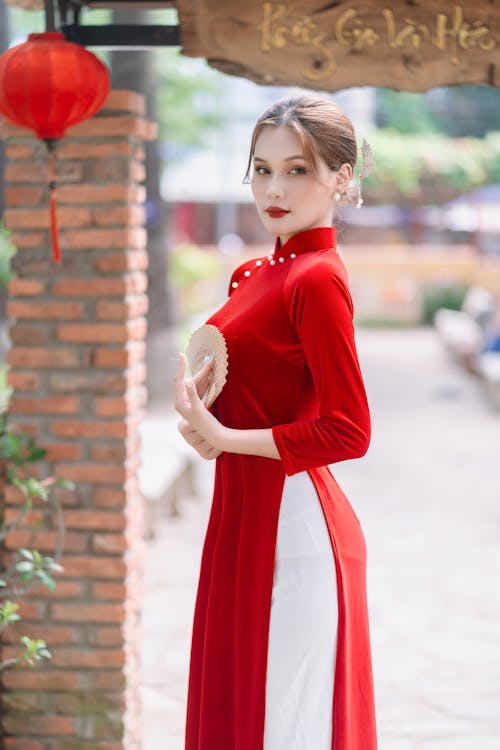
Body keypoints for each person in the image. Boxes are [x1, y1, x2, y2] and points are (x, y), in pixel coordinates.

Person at [174, 94, 377, 750]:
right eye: (261, 170)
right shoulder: (253, 274)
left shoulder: (315, 280)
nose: (274, 188)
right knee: (243, 715)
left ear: (341, 178)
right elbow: (249, 393)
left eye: (297, 170)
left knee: (287, 727)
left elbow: (350, 429)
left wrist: (228, 439)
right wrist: (206, 429)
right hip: (239, 515)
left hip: (293, 532)